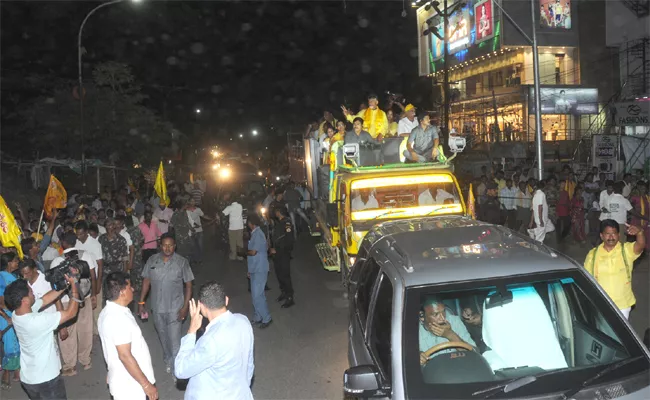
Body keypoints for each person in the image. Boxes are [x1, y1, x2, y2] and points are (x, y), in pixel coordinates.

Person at [5, 273, 79, 399]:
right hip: (47, 380)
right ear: (25, 300)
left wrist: (65, 284)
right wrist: (74, 287)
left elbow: (44, 300)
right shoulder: (37, 321)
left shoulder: (16, 314)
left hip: (29, 378)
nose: (33, 291)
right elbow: (70, 313)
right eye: (30, 291)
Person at [174, 282, 254, 399]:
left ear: (202, 307)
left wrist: (191, 331)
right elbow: (249, 364)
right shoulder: (243, 321)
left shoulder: (210, 341)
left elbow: (181, 370)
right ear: (226, 300)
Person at [138, 233, 194, 377]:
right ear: (160, 245)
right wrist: (141, 302)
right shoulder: (152, 260)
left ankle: (177, 371)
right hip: (157, 308)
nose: (167, 248)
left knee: (175, 341)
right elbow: (146, 282)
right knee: (163, 337)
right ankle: (168, 359)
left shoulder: (182, 262)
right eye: (165, 245)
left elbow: (188, 286)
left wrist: (185, 307)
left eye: (171, 245)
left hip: (175, 308)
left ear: (175, 246)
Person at [99, 272, 157, 400]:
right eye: (130, 286)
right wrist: (146, 385)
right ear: (122, 291)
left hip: (124, 380)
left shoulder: (108, 311)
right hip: (131, 387)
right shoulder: (118, 318)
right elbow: (125, 355)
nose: (133, 289)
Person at [51, 233, 98, 376]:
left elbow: (55, 286)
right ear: (75, 242)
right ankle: (85, 360)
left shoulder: (57, 261)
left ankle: (70, 365)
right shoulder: (87, 255)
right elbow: (93, 276)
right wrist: (94, 294)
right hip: (85, 297)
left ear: (62, 243)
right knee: (85, 328)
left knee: (68, 332)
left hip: (66, 300)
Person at [584, 220, 644, 320]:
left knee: (621, 333)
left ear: (619, 235)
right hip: (601, 303)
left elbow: (640, 245)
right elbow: (587, 279)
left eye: (614, 234)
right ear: (601, 236)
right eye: (607, 234)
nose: (611, 237)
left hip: (622, 304)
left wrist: (640, 232)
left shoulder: (626, 250)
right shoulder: (593, 254)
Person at [419, 297, 476, 365]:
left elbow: (475, 354)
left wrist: (450, 335)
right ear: (422, 316)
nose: (442, 318)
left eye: (443, 312)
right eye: (435, 314)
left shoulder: (455, 321)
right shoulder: (412, 332)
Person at [246, 214, 272, 329]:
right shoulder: (255, 234)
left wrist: (242, 252)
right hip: (254, 268)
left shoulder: (258, 234)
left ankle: (266, 318)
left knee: (258, 295)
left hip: (260, 269)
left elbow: (253, 252)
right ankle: (258, 316)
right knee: (255, 294)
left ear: (251, 223)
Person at [0, 253, 20, 388]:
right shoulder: (1, 278)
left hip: (14, 314)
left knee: (17, 342)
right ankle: (6, 372)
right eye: (15, 261)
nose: (17, 262)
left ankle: (17, 369)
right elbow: (1, 302)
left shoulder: (12, 276)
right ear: (8, 263)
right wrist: (7, 316)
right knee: (10, 345)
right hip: (6, 316)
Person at [271, 208, 295, 309]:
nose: (275, 212)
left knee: (285, 275)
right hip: (277, 253)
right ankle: (284, 292)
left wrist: (279, 250)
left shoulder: (287, 223)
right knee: (279, 274)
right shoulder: (279, 222)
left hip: (283, 254)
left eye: (276, 211)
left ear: (279, 212)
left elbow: (289, 241)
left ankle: (290, 297)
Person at [223, 195, 244, 261]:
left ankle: (233, 255)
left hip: (232, 227)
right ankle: (240, 256)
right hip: (240, 227)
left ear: (230, 201)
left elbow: (223, 214)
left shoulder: (229, 207)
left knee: (232, 242)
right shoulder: (240, 206)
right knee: (239, 241)